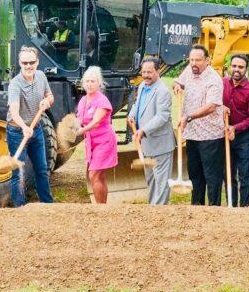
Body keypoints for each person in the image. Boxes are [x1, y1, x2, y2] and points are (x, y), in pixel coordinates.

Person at [174, 44, 225, 206]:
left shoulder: (214, 80)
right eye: (191, 60)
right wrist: (177, 85)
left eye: (198, 60)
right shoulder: (190, 70)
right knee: (195, 175)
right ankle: (197, 208)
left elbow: (211, 106)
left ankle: (214, 209)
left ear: (207, 61)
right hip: (192, 134)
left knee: (212, 177)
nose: (194, 63)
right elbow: (179, 83)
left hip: (210, 136)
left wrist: (189, 117)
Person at [6, 46, 55, 206]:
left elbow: (50, 96)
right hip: (17, 131)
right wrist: (24, 127)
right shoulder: (15, 84)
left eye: (31, 62)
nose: (28, 66)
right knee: (18, 171)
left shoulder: (41, 76)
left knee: (42, 168)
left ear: (37, 62)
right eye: (24, 62)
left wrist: (47, 101)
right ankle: (20, 208)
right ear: (20, 63)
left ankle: (47, 205)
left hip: (36, 128)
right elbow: (14, 111)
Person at [127, 57, 175, 206]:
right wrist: (132, 114)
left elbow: (162, 117)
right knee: (151, 180)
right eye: (144, 72)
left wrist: (143, 130)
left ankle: (159, 213)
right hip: (147, 144)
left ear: (158, 71)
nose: (146, 75)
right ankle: (152, 210)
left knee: (161, 183)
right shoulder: (142, 85)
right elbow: (137, 104)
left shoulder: (163, 91)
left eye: (150, 72)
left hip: (160, 144)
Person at [75, 65, 117, 203]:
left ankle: (100, 208)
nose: (89, 84)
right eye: (87, 81)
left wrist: (82, 130)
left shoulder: (102, 100)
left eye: (93, 81)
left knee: (94, 174)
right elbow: (79, 120)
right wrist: (72, 127)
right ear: (83, 83)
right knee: (100, 175)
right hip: (91, 142)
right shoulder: (83, 101)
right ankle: (103, 205)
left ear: (99, 83)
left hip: (104, 141)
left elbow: (96, 121)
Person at [223, 54, 249, 207]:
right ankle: (232, 204)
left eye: (240, 67)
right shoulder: (223, 83)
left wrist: (235, 128)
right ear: (230, 66)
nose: (236, 69)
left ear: (246, 69)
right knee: (228, 173)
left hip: (244, 137)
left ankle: (245, 207)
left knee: (244, 174)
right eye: (234, 66)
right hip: (225, 135)